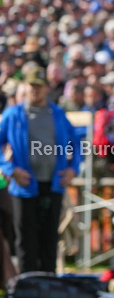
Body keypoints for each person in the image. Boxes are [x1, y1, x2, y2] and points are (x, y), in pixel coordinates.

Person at [0, 66, 80, 274]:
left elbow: (76, 142)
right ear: (25, 87)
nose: (35, 90)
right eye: (31, 85)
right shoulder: (13, 115)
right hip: (24, 186)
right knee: (26, 239)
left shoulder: (58, 114)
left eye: (39, 86)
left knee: (49, 237)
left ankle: (48, 284)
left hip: (53, 184)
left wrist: (73, 169)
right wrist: (10, 169)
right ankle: (28, 285)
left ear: (47, 88)